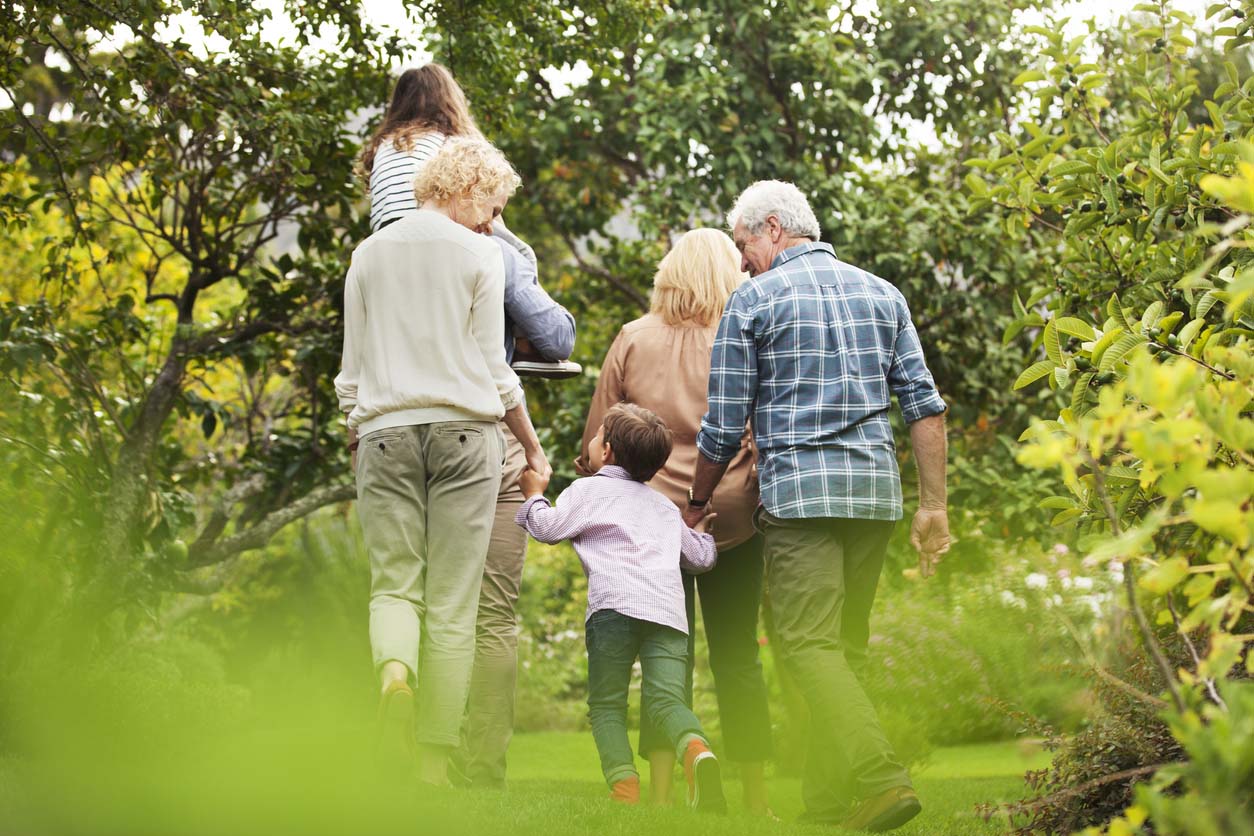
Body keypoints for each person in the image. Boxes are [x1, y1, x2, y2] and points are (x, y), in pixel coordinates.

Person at [684, 180, 951, 831]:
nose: (742, 260)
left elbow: (723, 424)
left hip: (802, 500)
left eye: (745, 243)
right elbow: (924, 405)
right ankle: (829, 804)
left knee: (805, 644)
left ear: (773, 228)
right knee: (843, 648)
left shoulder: (753, 300)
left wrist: (696, 499)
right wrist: (933, 505)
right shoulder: (883, 294)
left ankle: (882, 778)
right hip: (874, 498)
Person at [360, 64, 578, 787]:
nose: (492, 218)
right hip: (464, 433)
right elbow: (496, 368)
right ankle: (435, 767)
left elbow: (349, 372)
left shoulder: (367, 251)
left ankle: (395, 675)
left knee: (395, 587)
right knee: (457, 606)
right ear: (466, 189)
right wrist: (533, 443)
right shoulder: (485, 251)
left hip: (385, 430)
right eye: (488, 204)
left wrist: (360, 427)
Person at [575, 229, 773, 813]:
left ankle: (660, 795)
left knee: (667, 657)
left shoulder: (633, 338)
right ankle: (757, 800)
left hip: (650, 526)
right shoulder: (743, 337)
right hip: (728, 517)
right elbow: (761, 431)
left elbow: (596, 443)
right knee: (739, 656)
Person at [516, 404, 727, 812]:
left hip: (613, 608)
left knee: (607, 704)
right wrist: (700, 533)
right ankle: (697, 750)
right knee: (667, 701)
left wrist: (534, 495)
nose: (591, 443)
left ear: (607, 451)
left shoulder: (586, 490)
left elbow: (547, 529)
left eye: (595, 438)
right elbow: (700, 560)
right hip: (667, 613)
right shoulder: (664, 506)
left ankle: (624, 788)